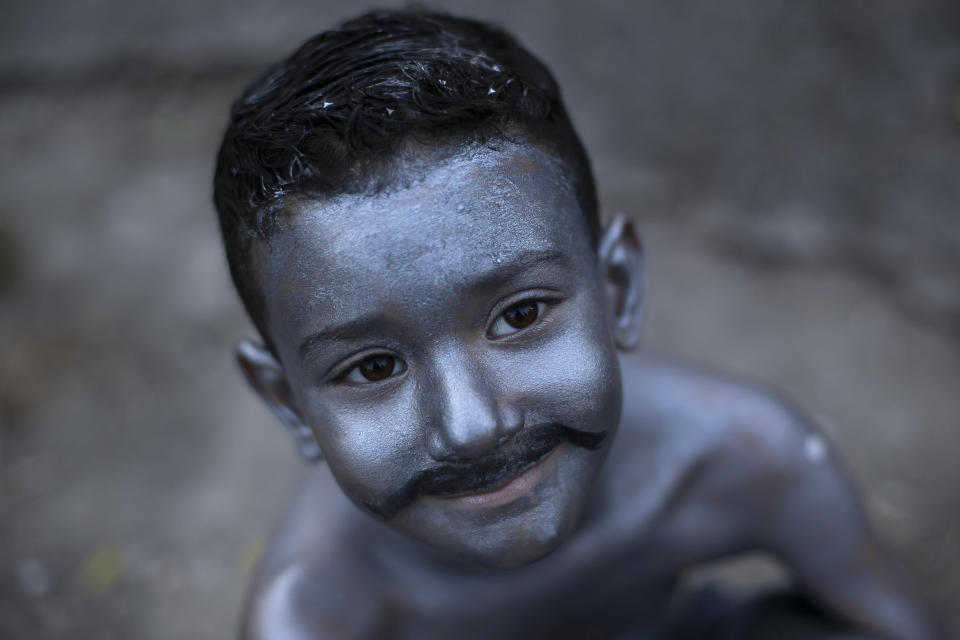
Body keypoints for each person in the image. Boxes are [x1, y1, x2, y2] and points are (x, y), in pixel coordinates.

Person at [212, 9, 942, 639]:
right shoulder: (319, 618)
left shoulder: (748, 458)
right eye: (373, 367)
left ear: (616, 288)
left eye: (520, 315)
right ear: (286, 401)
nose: (471, 426)